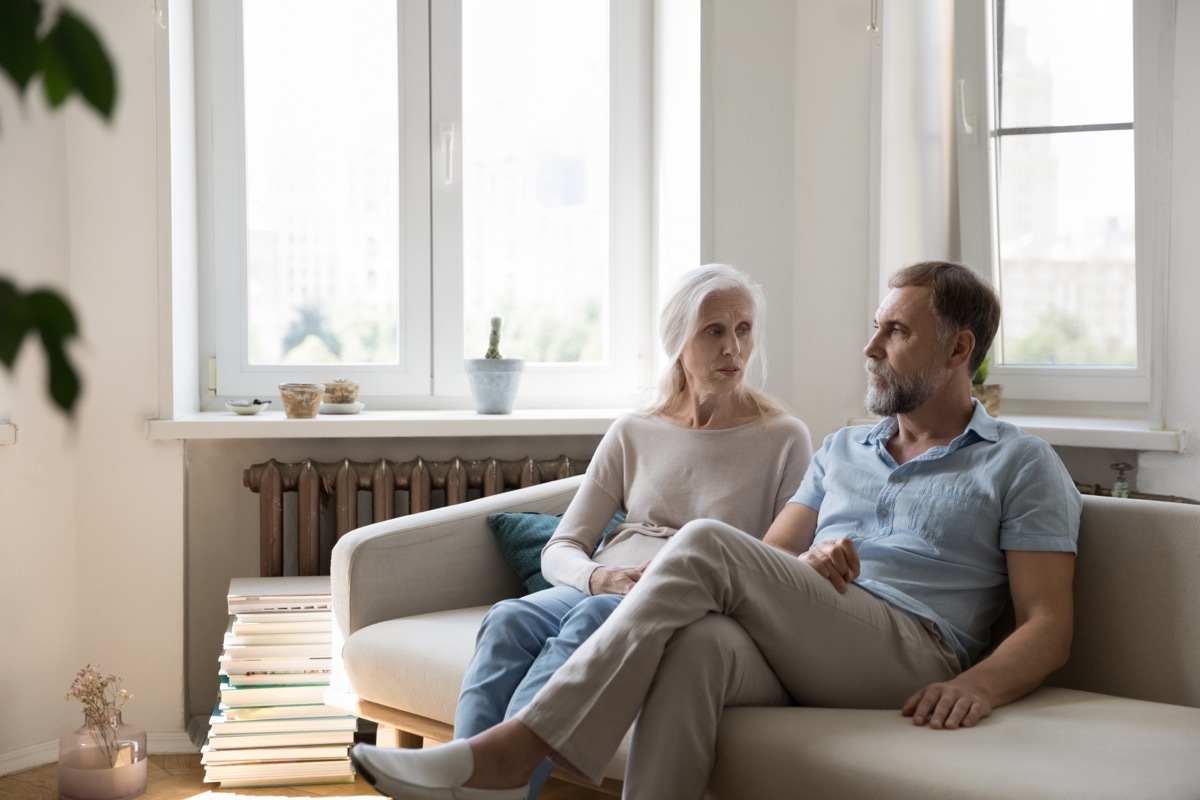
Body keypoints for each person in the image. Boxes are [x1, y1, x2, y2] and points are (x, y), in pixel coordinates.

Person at [349, 260, 1082, 800]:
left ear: (958, 351)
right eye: (875, 328)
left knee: (700, 540)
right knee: (697, 646)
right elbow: (763, 562)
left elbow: (1048, 624)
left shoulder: (1019, 462)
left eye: (896, 332)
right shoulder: (842, 449)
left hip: (916, 649)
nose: (870, 348)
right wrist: (807, 573)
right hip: (827, 635)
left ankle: (511, 755)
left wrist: (981, 686)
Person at [451, 263, 813, 799]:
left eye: (744, 330)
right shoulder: (634, 431)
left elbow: (779, 567)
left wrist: (629, 592)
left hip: (687, 602)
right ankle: (462, 779)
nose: (733, 348)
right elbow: (562, 547)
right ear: (677, 342)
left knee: (596, 618)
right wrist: (601, 578)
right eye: (714, 331)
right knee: (507, 618)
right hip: (610, 587)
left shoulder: (784, 438)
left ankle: (496, 783)